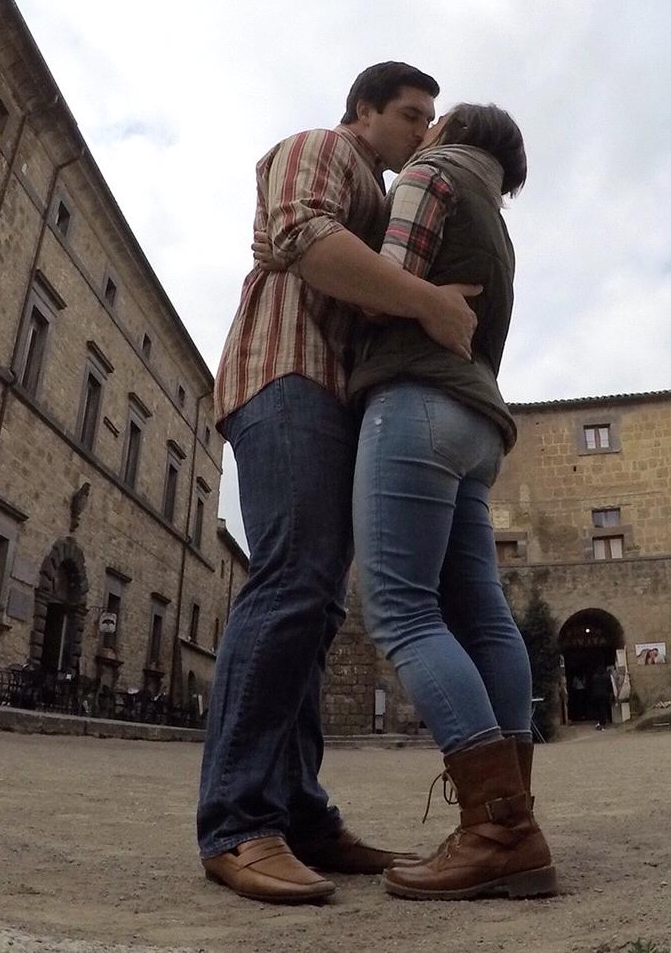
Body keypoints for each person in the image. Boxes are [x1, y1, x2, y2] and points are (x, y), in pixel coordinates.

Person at [198, 62, 484, 906]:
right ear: (363, 111)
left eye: (433, 117)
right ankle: (238, 823)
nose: (422, 131)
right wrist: (429, 303)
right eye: (409, 114)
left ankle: (301, 815)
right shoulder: (318, 146)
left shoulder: (382, 196)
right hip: (286, 375)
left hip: (332, 395)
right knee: (291, 583)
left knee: (318, 602)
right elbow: (301, 236)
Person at [349, 102, 555, 900]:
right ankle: (513, 819)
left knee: (400, 611)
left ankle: (497, 829)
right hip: (477, 423)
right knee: (485, 615)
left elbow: (381, 291)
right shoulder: (499, 225)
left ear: (449, 132)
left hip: (415, 404)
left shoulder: (432, 175)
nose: (420, 134)